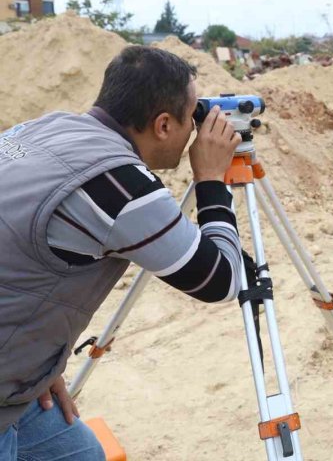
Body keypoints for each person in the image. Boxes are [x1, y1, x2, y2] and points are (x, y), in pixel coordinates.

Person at [0, 46, 244, 460]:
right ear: (164, 124)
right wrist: (212, 180)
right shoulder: (120, 185)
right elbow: (222, 281)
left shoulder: (38, 129)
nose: (193, 133)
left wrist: (31, 364)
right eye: (191, 118)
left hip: (18, 383)